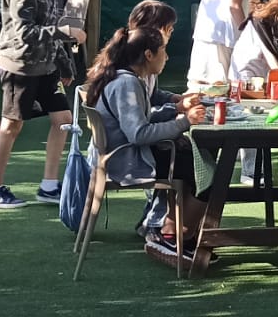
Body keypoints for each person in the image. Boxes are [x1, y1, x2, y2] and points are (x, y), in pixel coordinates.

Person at [0, 0, 84, 208]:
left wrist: (63, 63)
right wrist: (65, 32)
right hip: (20, 65)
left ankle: (49, 186)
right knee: (11, 125)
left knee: (63, 119)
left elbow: (48, 22)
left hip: (45, 66)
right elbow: (23, 31)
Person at [84, 26, 205, 249]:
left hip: (120, 155)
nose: (166, 57)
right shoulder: (127, 83)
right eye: (163, 50)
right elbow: (138, 134)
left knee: (187, 152)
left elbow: (140, 119)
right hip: (126, 161)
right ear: (149, 54)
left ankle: (170, 229)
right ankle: (172, 236)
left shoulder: (121, 77)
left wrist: (175, 110)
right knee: (203, 170)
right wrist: (184, 122)